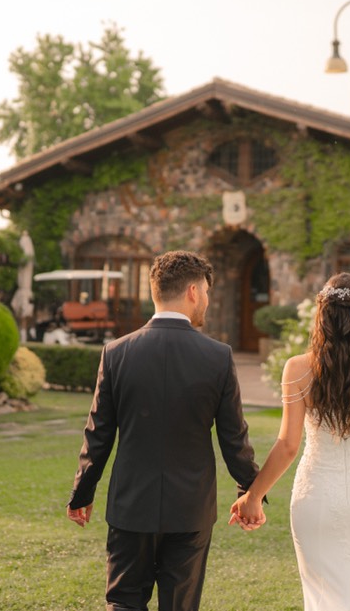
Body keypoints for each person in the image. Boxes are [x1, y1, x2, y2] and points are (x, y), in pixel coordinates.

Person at [67, 250, 262, 611]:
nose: (207, 301)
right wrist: (250, 491)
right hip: (190, 509)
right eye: (206, 292)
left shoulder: (116, 353)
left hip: (131, 505)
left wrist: (82, 493)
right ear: (192, 291)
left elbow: (98, 435)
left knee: (124, 603)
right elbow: (234, 439)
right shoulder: (218, 356)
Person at [230, 273, 350, 611]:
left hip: (316, 496)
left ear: (322, 313)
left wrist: (253, 497)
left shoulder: (297, 368)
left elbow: (288, 446)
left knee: (321, 596)